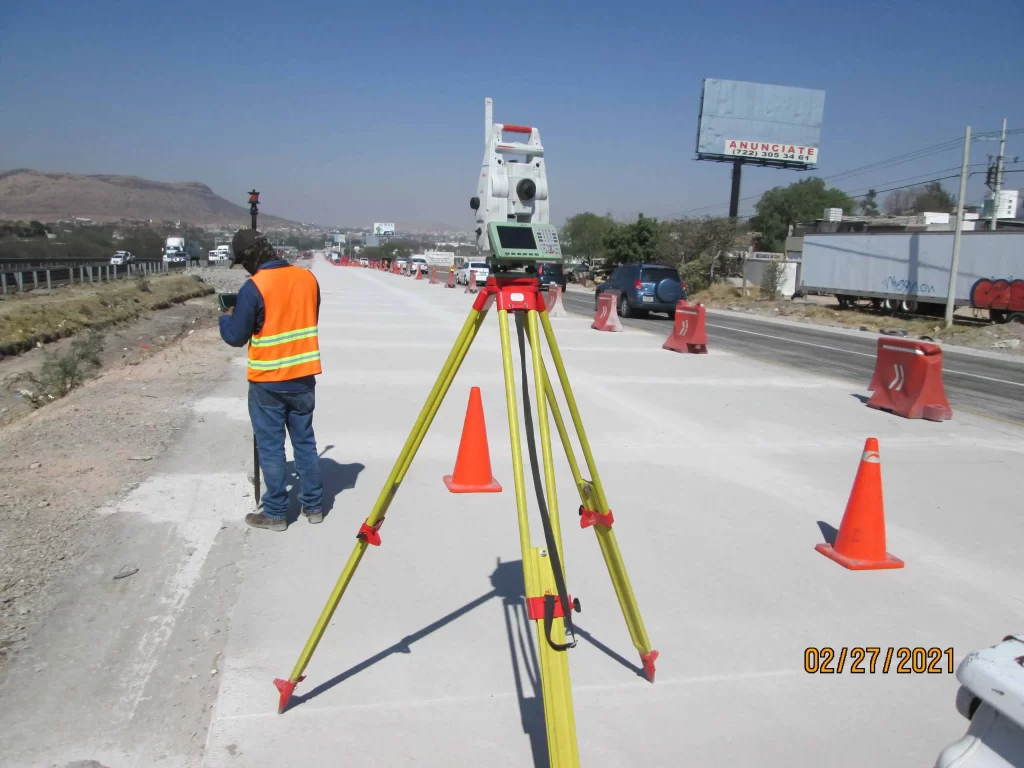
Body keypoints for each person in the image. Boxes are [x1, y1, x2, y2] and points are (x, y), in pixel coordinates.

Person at [219, 229, 324, 532]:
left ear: (249, 258)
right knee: (304, 442)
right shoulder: (308, 279)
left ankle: (276, 512)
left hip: (268, 381)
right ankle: (314, 506)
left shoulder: (254, 287)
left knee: (271, 447)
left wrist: (226, 317)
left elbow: (236, 336)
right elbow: (305, 318)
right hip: (303, 377)